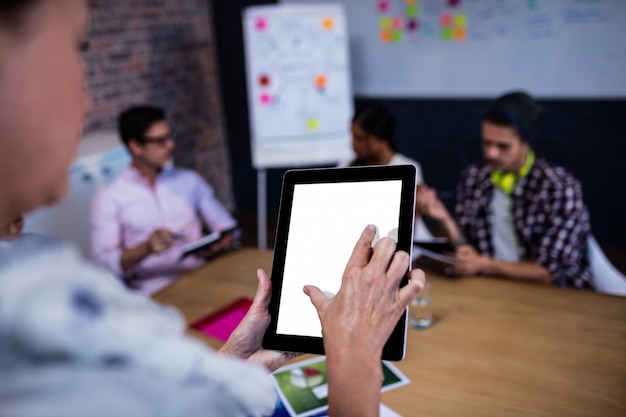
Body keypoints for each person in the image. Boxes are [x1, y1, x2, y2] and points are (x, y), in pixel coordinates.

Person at [0, 1, 426, 416]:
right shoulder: (41, 324)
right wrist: (354, 353)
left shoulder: (42, 290)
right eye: (78, 47)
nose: (85, 101)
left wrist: (238, 359)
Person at [416, 91, 593, 289]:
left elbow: (548, 273)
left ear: (525, 143)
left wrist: (483, 265)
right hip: (493, 288)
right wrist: (443, 218)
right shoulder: (475, 177)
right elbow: (467, 250)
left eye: (503, 146)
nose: (491, 153)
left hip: (557, 295)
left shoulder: (559, 187)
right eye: (487, 143)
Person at [91, 105, 238, 295]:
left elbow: (227, 226)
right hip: (152, 290)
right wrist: (146, 248)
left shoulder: (189, 180)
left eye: (170, 136)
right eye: (161, 141)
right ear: (135, 146)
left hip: (201, 275)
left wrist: (220, 243)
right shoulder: (110, 197)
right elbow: (104, 264)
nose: (171, 145)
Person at [339, 102, 433, 240]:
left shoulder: (406, 167)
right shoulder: (346, 166)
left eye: (359, 138)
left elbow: (404, 224)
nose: (353, 144)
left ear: (379, 138)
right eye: (352, 136)